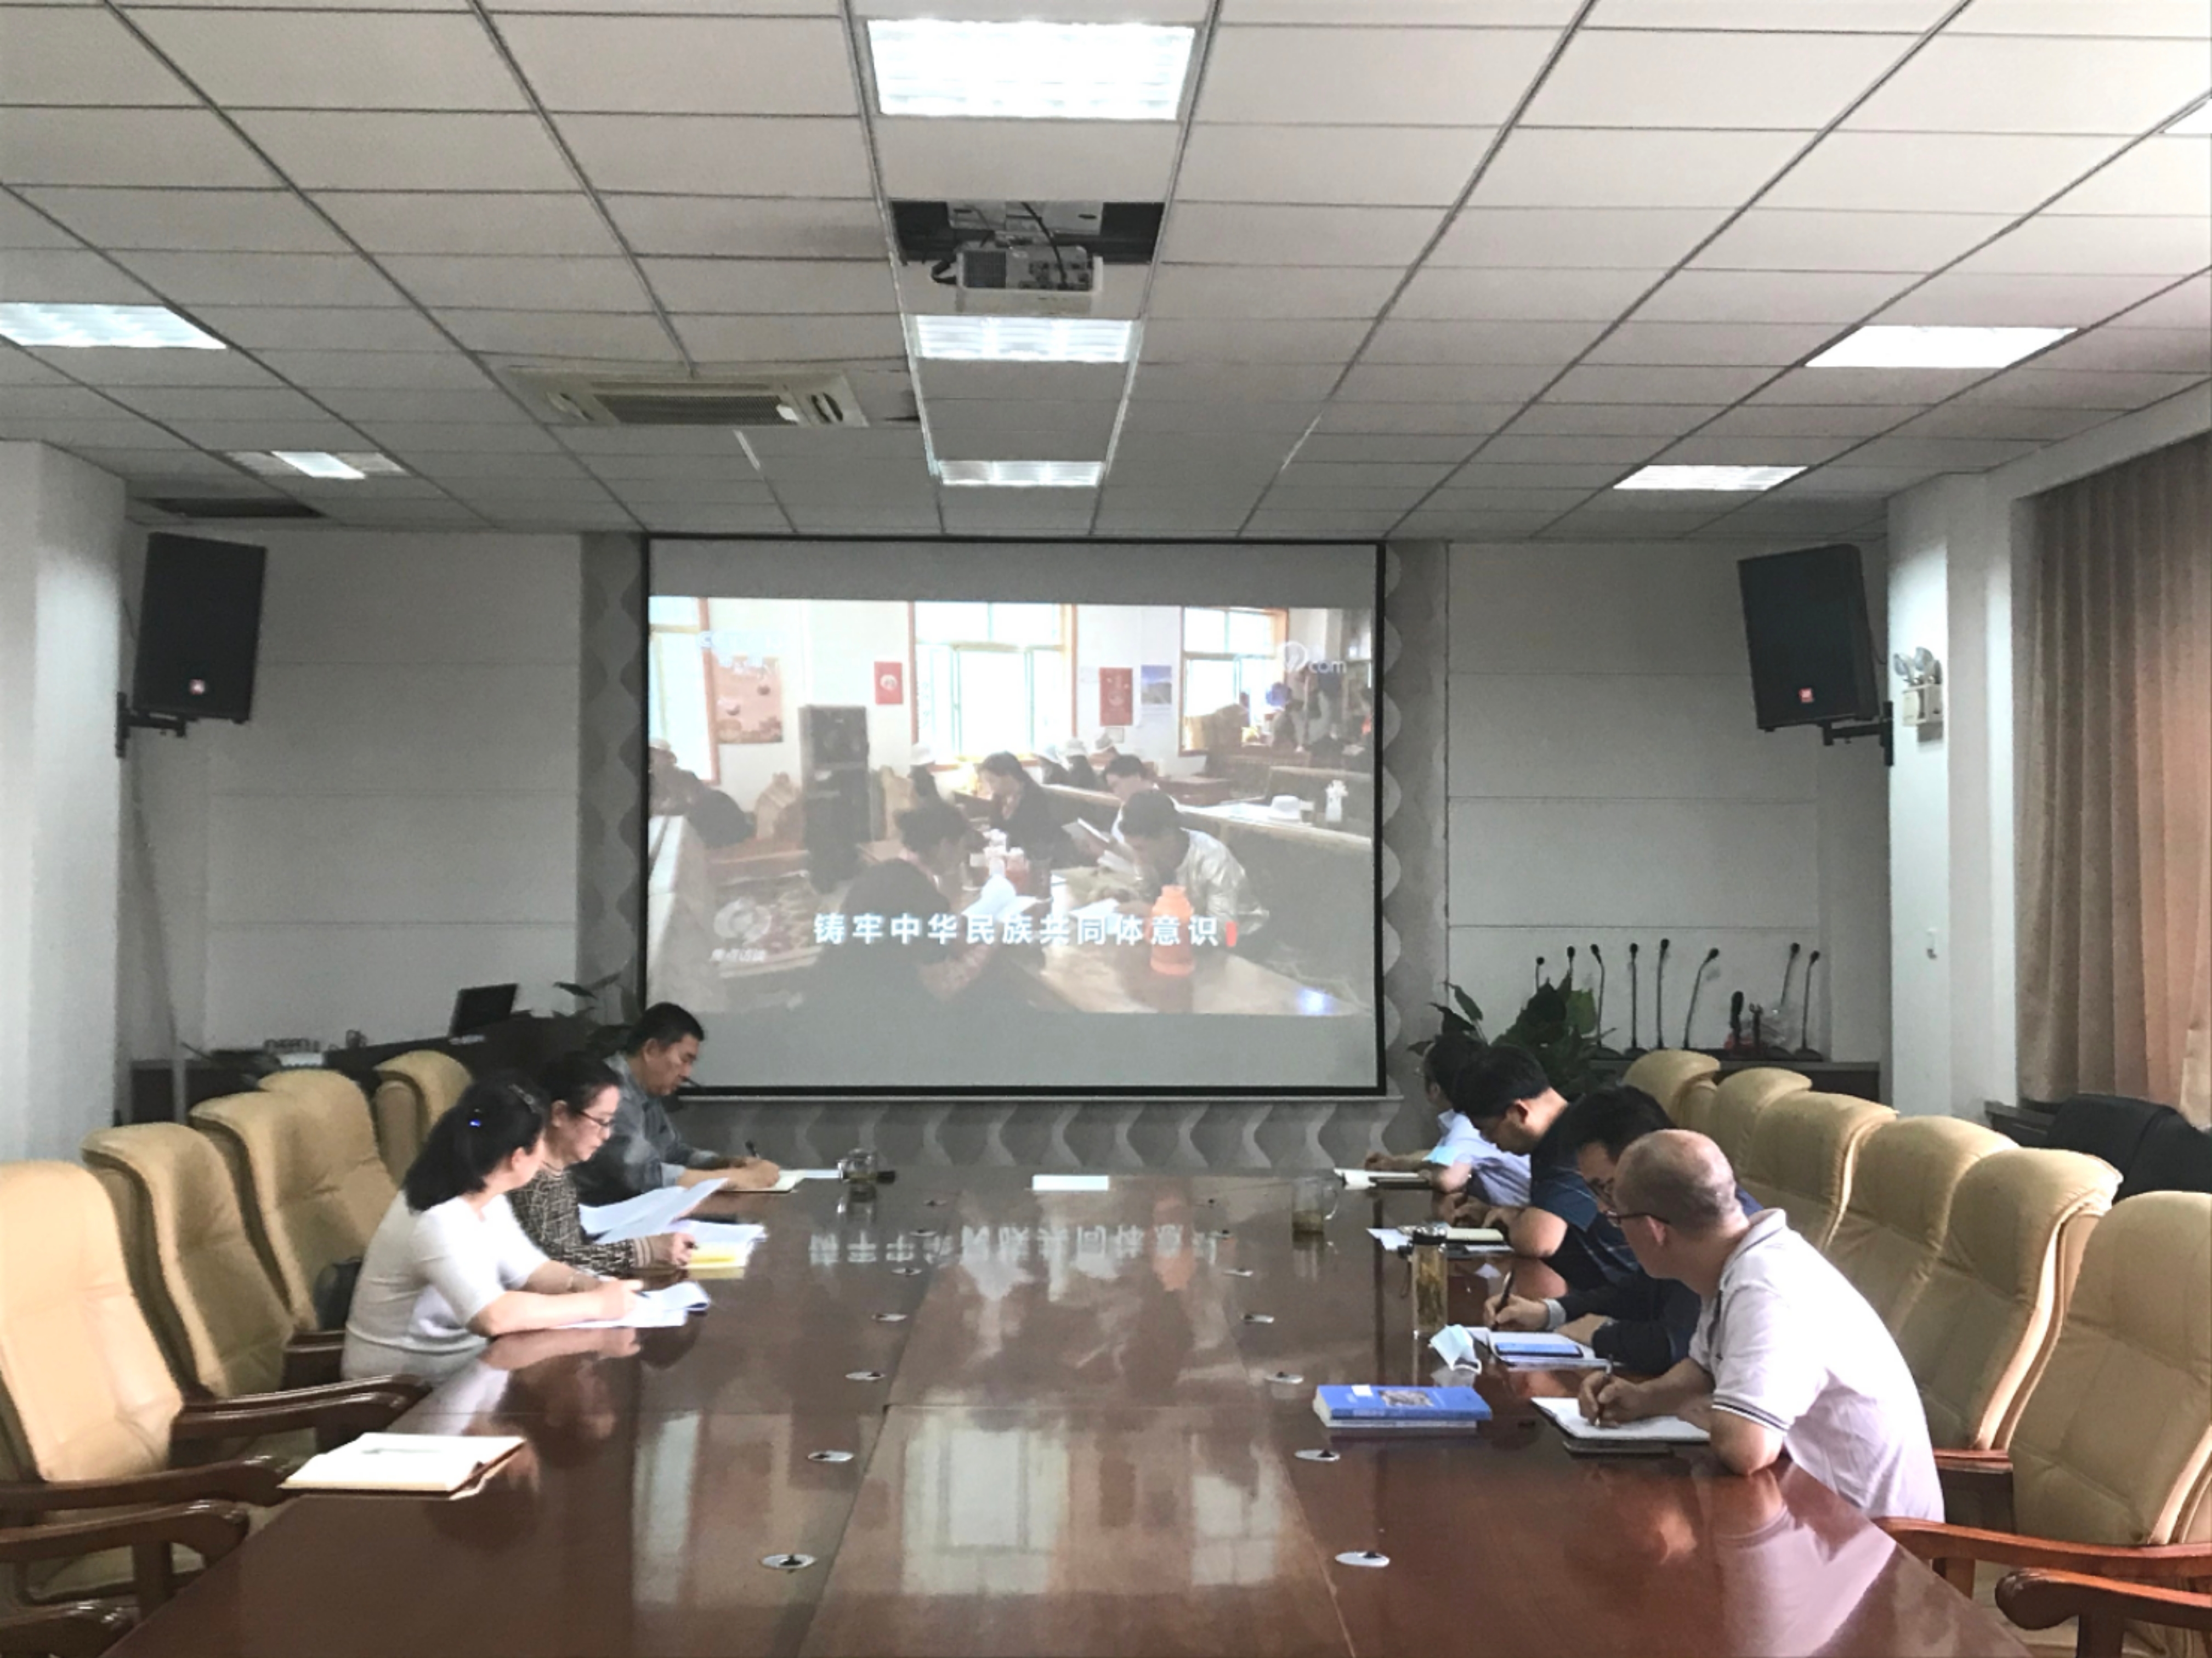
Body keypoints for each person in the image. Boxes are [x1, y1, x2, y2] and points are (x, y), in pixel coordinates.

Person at [1578, 1130, 1942, 1520]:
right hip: (1809, 1511)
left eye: (1617, 1218)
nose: (1617, 1228)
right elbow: (1704, 1370)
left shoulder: (1766, 1286)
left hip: (1875, 1539)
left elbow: (1745, 1448)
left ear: (1655, 1230)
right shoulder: (1733, 1262)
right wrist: (1643, 1398)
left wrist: (1697, 1409)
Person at [342, 1076, 639, 1382]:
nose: (544, 1155)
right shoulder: (439, 1216)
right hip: (402, 1390)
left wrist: (589, 1284)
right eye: (541, 1143)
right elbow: (493, 1316)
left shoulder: (486, 1193)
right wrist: (597, 1305)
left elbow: (531, 1271)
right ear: (517, 1158)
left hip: (467, 1369)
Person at [1486, 1084, 1759, 1372]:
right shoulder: (1668, 1206)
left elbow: (1674, 1345)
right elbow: (1640, 1292)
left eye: (1608, 1188)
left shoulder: (1707, 1216)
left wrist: (1600, 1333)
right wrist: (1551, 1312)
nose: (1602, 1207)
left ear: (1642, 1157)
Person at [1450, 1044, 1639, 1293]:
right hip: (1595, 1286)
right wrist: (1499, 1213)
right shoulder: (1563, 1129)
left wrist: (1513, 1218)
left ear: (1518, 1112)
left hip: (1627, 1295)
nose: (1489, 1141)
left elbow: (1538, 1240)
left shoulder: (1578, 1141)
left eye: (1488, 1130)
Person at [571, 1004, 780, 1205]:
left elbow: (674, 1154)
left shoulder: (646, 1090)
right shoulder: (611, 1091)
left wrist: (728, 1163)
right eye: (684, 1060)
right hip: (602, 1214)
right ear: (651, 1050)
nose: (687, 1073)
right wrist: (736, 1178)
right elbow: (644, 1176)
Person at [511, 1052, 697, 1274]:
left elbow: (575, 1250)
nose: (607, 1135)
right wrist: (644, 1251)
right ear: (559, 1113)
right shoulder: (529, 1181)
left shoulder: (558, 1172)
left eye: (610, 1123)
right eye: (601, 1121)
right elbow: (559, 1264)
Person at [815, 799, 997, 1007]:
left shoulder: (883, 872)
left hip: (840, 990)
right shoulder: (923, 897)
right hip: (878, 1008)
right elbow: (944, 986)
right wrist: (994, 939)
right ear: (945, 846)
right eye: (962, 847)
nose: (963, 856)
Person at [1365, 1031, 1530, 1208]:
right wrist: (1396, 1163)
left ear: (1435, 1089)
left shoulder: (1468, 1126)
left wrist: (1431, 1176)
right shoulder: (1482, 1118)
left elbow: (1449, 1180)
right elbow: (1444, 1154)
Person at [1117, 788, 1268, 941]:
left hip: (1241, 938)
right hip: (1183, 932)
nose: (1136, 857)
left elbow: (1224, 932)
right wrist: (1125, 898)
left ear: (1167, 835)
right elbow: (1145, 897)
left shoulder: (1212, 858)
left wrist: (1156, 914)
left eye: (1140, 849)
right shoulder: (1147, 856)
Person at [977, 751, 1072, 867]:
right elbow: (996, 828)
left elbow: (1040, 840)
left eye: (992, 781)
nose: (990, 787)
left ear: (1009, 776)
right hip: (1010, 860)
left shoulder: (1036, 798)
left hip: (1040, 861)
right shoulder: (998, 799)